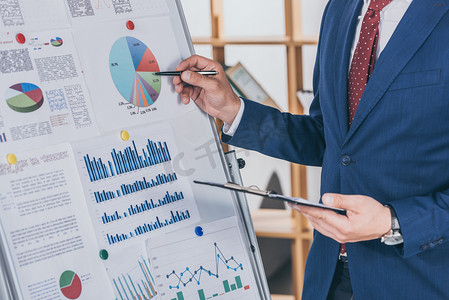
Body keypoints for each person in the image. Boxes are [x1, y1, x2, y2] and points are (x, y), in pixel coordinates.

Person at [173, 0, 449, 299]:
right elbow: (329, 139)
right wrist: (233, 109)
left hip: (422, 279)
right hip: (328, 276)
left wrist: (393, 221)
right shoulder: (340, 9)